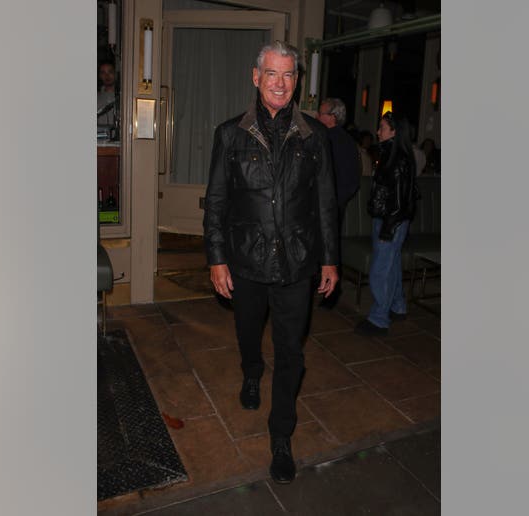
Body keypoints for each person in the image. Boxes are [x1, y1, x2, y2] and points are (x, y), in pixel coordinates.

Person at [203, 40, 339, 485]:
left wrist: (330, 260)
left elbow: (325, 204)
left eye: (289, 75)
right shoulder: (230, 135)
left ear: (296, 81)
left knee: (291, 353)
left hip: (297, 264)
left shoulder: (314, 136)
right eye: (272, 74)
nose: (280, 83)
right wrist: (217, 259)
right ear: (255, 77)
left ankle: (281, 436)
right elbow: (218, 203)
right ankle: (250, 371)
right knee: (247, 334)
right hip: (245, 261)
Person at [354, 111, 417, 337]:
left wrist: (388, 228)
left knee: (380, 270)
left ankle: (379, 319)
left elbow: (399, 200)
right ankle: (397, 306)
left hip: (392, 220)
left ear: (394, 131)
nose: (377, 131)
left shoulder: (397, 158)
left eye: (382, 127)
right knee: (391, 265)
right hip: (390, 219)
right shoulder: (393, 153)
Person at [316, 97, 360, 309]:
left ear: (332, 118)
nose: (317, 116)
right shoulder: (329, 137)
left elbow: (350, 180)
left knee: (329, 250)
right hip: (324, 206)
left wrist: (333, 203)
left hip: (330, 207)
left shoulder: (338, 141)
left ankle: (331, 293)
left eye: (321, 113)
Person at [97, 61, 118, 134]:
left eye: (110, 72)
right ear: (99, 76)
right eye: (103, 73)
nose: (107, 75)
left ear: (115, 74)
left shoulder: (122, 97)